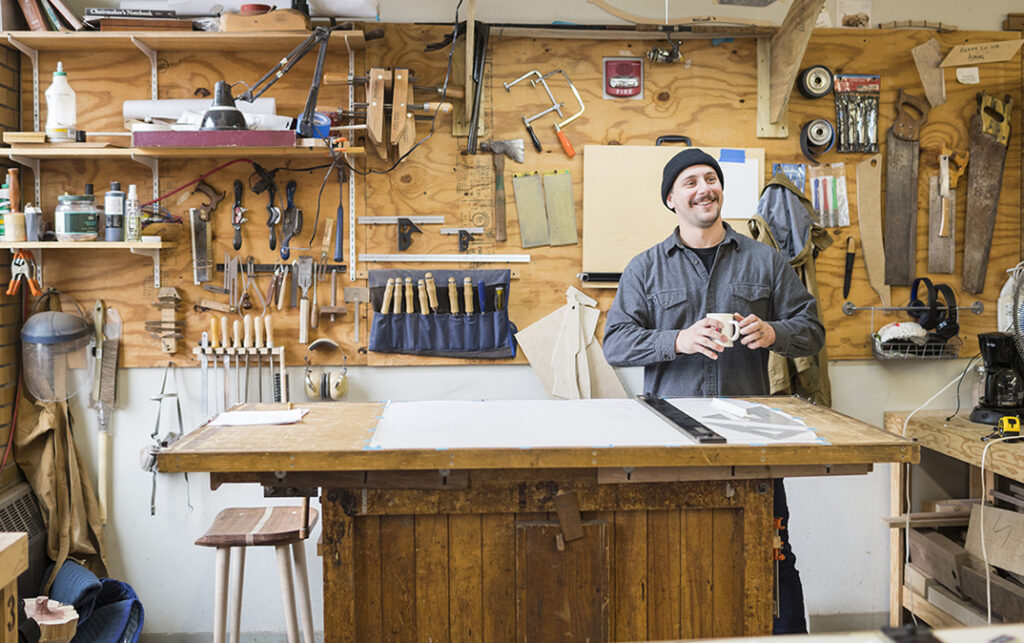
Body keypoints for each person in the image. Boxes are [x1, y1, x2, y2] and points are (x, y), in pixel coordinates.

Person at [602, 147, 825, 634]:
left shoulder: (765, 261)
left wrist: (774, 333)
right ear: (671, 200)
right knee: (673, 552)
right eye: (690, 182)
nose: (704, 188)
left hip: (751, 438)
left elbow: (812, 330)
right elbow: (614, 343)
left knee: (773, 550)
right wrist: (676, 339)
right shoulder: (646, 268)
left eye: (711, 178)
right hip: (670, 437)